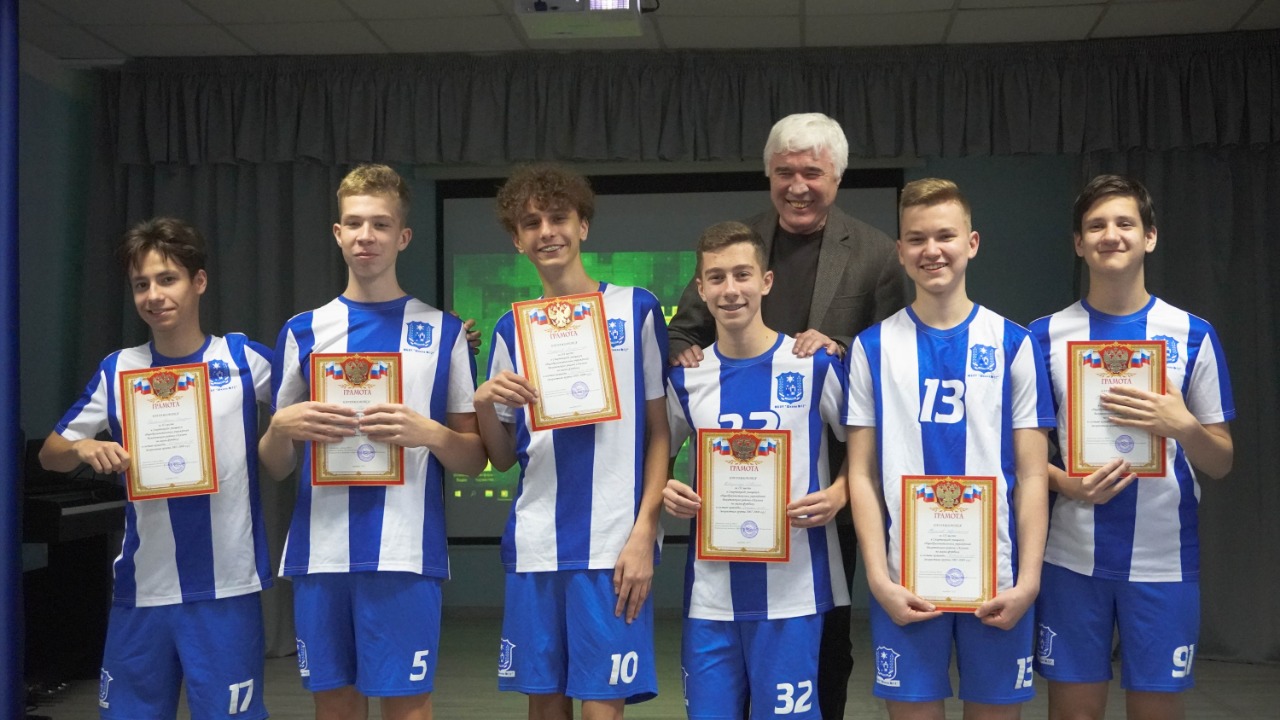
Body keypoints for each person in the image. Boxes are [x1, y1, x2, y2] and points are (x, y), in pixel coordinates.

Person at [667, 112, 906, 719]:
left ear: (837, 177)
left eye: (811, 173)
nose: (797, 186)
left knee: (822, 654)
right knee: (729, 676)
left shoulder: (877, 253)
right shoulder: (735, 241)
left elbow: (891, 358)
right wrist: (685, 355)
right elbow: (681, 333)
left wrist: (839, 352)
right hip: (729, 506)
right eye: (784, 172)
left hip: (822, 495)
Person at [259, 164, 486, 720]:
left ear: (403, 236)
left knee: (407, 707)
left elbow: (474, 458)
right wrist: (280, 429)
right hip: (319, 552)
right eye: (355, 223)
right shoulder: (303, 331)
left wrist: (429, 433)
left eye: (381, 224)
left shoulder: (443, 331)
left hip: (404, 554)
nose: (367, 236)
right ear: (338, 233)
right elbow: (277, 465)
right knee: (335, 708)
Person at [38, 217, 271, 720]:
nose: (154, 295)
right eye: (141, 284)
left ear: (198, 281)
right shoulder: (118, 368)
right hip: (142, 587)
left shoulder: (242, 358)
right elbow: (50, 453)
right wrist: (82, 449)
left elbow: (317, 392)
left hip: (226, 585)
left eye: (168, 279)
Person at [843, 179, 1053, 719]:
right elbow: (861, 475)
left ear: (972, 243)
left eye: (945, 236)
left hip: (999, 582)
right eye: (916, 239)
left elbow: (1033, 475)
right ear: (900, 251)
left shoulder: (1014, 343)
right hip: (904, 582)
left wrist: (1029, 582)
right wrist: (878, 581)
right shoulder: (871, 347)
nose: (931, 250)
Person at [1029, 175, 1234, 720]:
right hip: (1071, 557)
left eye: (1125, 223)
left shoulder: (1192, 333)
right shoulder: (1044, 336)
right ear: (1079, 243)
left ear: (1150, 237)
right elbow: (1021, 457)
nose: (1111, 235)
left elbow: (1220, 460)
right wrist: (1065, 482)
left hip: (1164, 559)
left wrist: (1183, 426)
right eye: (1096, 225)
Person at [475, 163, 669, 720]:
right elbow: (502, 457)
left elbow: (660, 433)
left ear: (582, 225)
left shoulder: (636, 308)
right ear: (517, 240)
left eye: (558, 217)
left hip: (614, 545)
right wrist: (484, 403)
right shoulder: (511, 328)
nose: (546, 232)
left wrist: (645, 531)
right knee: (545, 708)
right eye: (530, 223)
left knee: (601, 710)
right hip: (537, 542)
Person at [663, 221, 849, 719]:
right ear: (701, 289)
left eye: (742, 275)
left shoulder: (813, 364)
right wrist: (665, 487)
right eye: (716, 278)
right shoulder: (686, 377)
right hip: (710, 596)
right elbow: (656, 454)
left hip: (794, 591)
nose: (730, 289)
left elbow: (869, 444)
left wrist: (841, 491)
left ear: (766, 281)